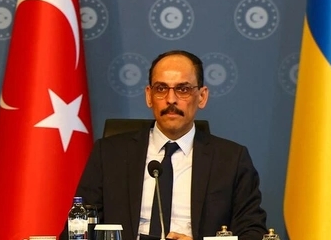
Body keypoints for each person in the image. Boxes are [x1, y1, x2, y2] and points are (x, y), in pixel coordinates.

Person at [75, 50, 266, 240]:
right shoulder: (109, 154)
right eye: (161, 89)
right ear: (149, 96)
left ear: (202, 96)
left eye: (183, 89)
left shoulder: (231, 160)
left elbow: (253, 232)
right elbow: (77, 228)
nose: (171, 99)